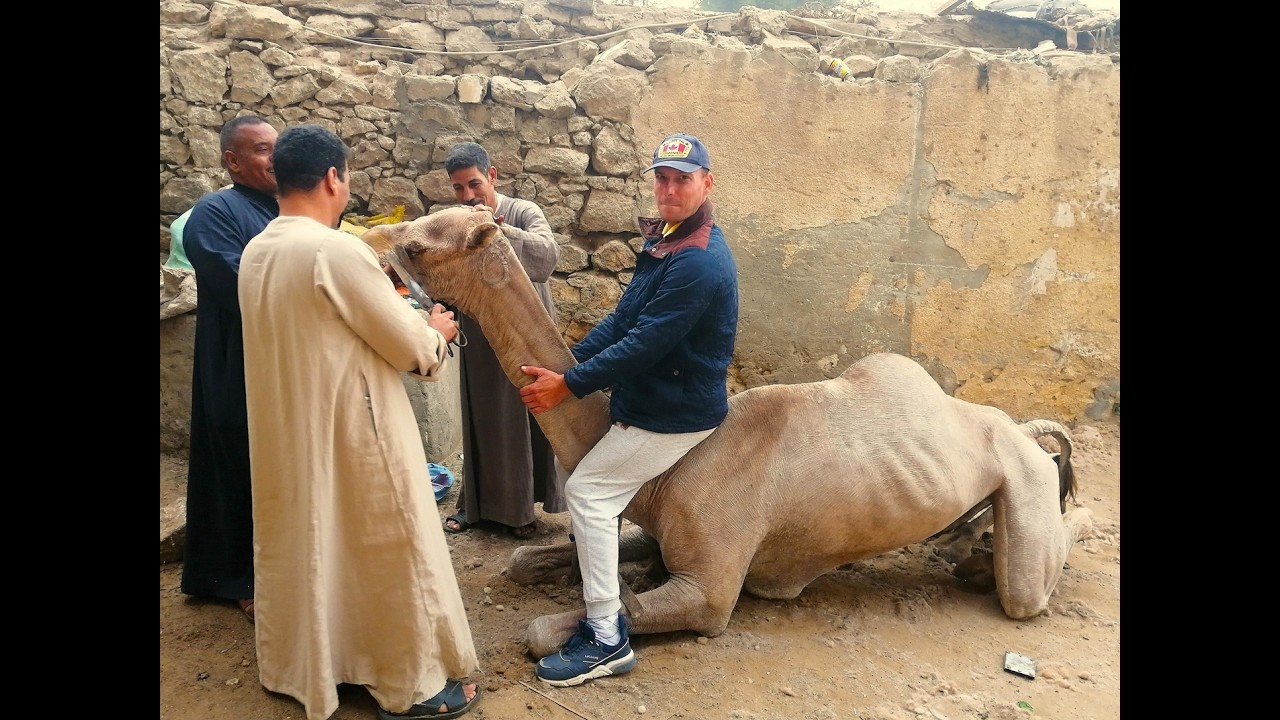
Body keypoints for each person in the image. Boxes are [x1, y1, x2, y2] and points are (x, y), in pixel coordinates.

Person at [239, 123, 481, 720]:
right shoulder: (335, 250)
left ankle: (313, 668)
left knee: (313, 546)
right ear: (332, 177)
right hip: (354, 433)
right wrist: (439, 333)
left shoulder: (258, 249)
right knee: (391, 550)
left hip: (289, 433)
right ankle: (411, 686)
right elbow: (413, 352)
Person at [518, 133, 739, 687]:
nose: (668, 189)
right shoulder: (667, 237)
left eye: (681, 180)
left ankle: (607, 636)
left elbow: (646, 343)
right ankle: (597, 585)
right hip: (647, 399)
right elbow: (622, 321)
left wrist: (567, 385)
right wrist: (566, 365)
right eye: (662, 178)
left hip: (676, 411)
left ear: (706, 184)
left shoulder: (697, 262)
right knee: (588, 479)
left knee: (588, 493)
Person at [179, 115, 279, 621]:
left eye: (277, 150)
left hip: (282, 361)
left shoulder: (286, 210)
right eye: (261, 150)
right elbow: (243, 286)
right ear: (232, 161)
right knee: (239, 461)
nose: (273, 160)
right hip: (235, 359)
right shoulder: (214, 213)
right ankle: (239, 578)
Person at [439, 141, 562, 540]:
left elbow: (546, 257)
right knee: (483, 418)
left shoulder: (524, 211)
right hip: (480, 331)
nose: (468, 195)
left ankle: (521, 510)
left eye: (474, 183)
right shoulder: (455, 220)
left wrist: (494, 229)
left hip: (525, 333)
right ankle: (475, 507)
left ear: (492, 176)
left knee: (520, 419)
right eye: (458, 189)